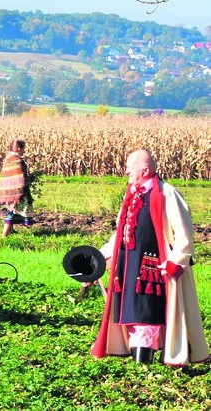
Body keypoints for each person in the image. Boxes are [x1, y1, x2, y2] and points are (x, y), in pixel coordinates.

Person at [91, 149, 209, 365]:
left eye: (130, 166)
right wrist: (101, 256)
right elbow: (120, 233)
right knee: (131, 312)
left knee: (146, 312)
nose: (126, 170)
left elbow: (185, 233)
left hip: (153, 268)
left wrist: (176, 261)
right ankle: (140, 365)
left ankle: (143, 365)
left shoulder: (167, 193)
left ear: (145, 170)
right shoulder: (131, 194)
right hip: (127, 266)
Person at [0, 139, 33, 237]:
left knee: (10, 210)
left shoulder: (8, 159)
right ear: (19, 149)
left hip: (6, 191)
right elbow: (21, 178)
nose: (24, 151)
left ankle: (11, 231)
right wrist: (30, 179)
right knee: (11, 212)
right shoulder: (17, 160)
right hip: (15, 192)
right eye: (23, 149)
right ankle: (4, 236)